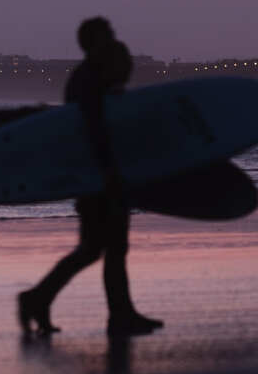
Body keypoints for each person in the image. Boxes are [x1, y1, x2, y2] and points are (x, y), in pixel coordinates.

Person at [17, 17, 164, 338]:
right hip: (97, 175)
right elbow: (94, 130)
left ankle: (43, 300)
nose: (113, 39)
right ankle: (110, 314)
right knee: (103, 247)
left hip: (100, 172)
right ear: (93, 42)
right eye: (107, 35)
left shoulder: (96, 75)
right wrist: (108, 171)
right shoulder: (88, 80)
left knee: (100, 248)